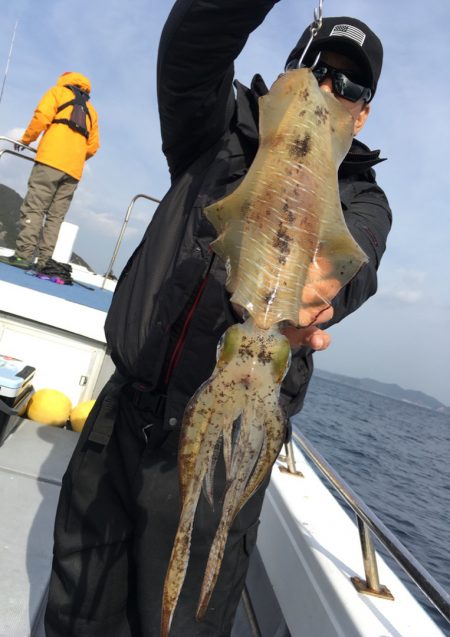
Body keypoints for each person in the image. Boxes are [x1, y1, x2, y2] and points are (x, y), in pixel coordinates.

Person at [44, 3, 391, 636]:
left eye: (350, 85)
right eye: (317, 71)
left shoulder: (360, 195)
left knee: (183, 622)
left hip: (229, 448)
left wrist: (322, 289)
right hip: (123, 425)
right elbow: (192, 46)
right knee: (75, 611)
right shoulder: (218, 127)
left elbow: (359, 255)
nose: (328, 90)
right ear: (290, 73)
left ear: (362, 112)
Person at [3, 71, 99, 271]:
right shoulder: (91, 111)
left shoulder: (57, 93)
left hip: (50, 161)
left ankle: (23, 255)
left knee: (35, 207)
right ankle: (45, 261)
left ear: (65, 80)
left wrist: (27, 139)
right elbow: (93, 146)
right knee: (56, 216)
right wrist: (75, 157)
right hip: (73, 171)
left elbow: (41, 118)